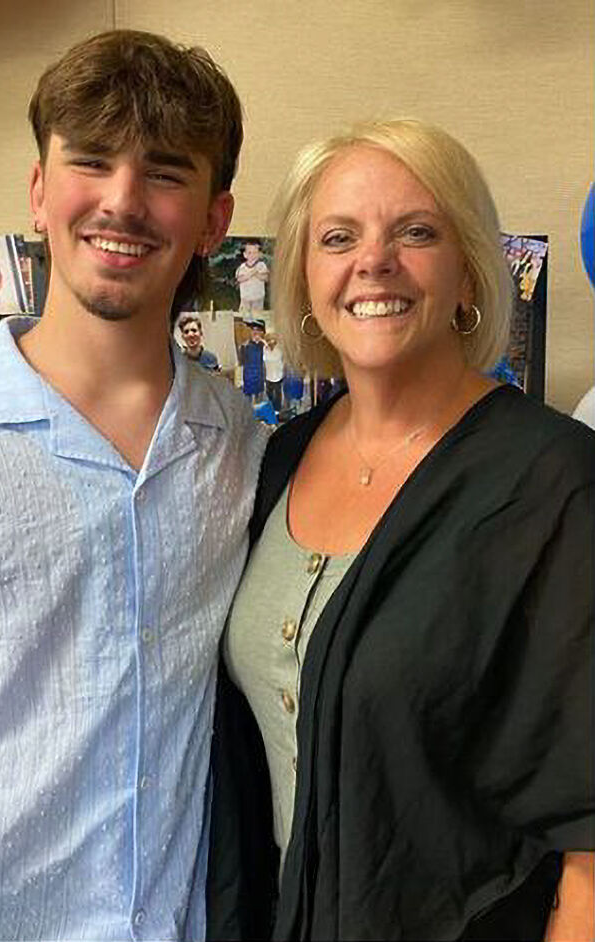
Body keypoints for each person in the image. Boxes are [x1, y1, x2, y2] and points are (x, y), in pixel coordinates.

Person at [0, 30, 266, 942]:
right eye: (90, 161)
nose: (123, 201)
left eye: (167, 172)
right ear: (38, 190)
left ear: (215, 221)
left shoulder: (248, 453)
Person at [207, 119, 594, 941]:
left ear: (468, 276)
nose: (372, 262)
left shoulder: (555, 480)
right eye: (338, 236)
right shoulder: (280, 458)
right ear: (306, 278)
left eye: (416, 232)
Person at [235, 240, 268, 312]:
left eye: (255, 253)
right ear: (245, 255)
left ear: (259, 254)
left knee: (257, 317)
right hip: (245, 298)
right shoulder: (242, 267)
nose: (252, 255)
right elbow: (239, 279)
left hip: (258, 298)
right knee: (244, 316)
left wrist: (256, 273)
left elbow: (265, 278)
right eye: (249, 253)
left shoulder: (261, 265)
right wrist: (250, 274)